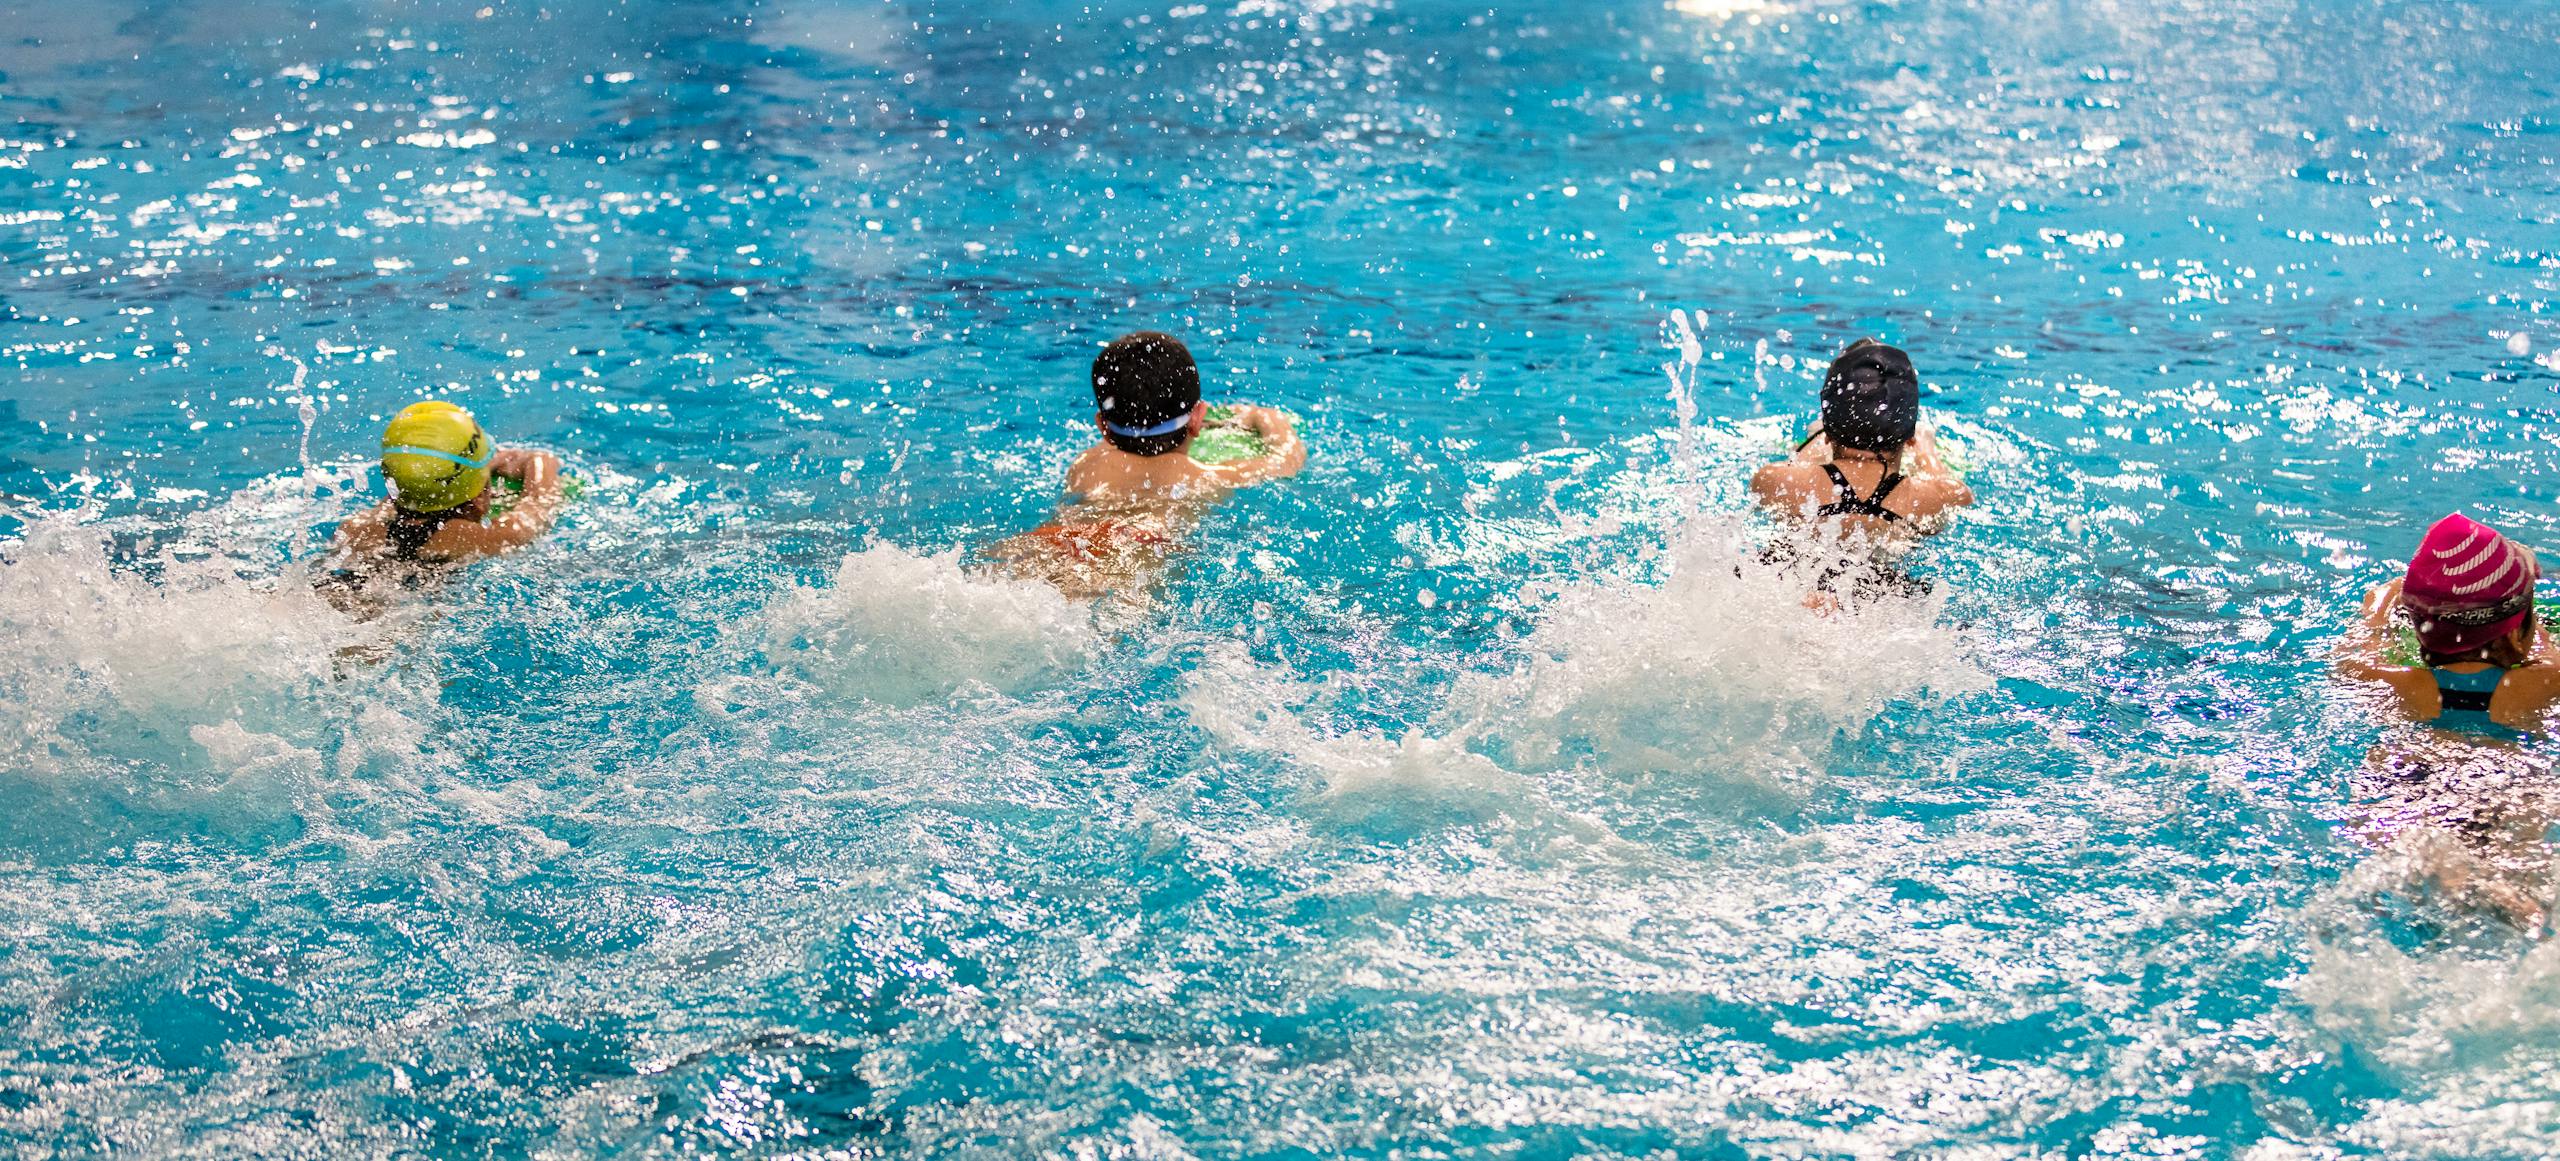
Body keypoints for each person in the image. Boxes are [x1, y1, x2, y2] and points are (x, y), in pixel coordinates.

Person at [2336, 512, 2560, 930]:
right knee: (2518, 846)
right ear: (2514, 632)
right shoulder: (2543, 683)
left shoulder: (2392, 683)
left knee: (2399, 839)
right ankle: (2501, 888)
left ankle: (2452, 874)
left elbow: (2355, 651)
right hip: (2504, 776)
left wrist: (2382, 604)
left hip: (2411, 769)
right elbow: (2540, 646)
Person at [988, 331, 1305, 599]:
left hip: (1059, 540)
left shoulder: (1085, 465)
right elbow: (1286, 460)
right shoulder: (1206, 478)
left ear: (1102, 426)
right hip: (1136, 552)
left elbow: (1129, 431)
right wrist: (1268, 418)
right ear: (1197, 419)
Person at [1749, 339, 1972, 607]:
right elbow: (1957, 490)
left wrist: (1818, 437)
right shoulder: (1929, 498)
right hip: (1876, 598)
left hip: (1791, 580)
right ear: (1908, 435)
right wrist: (1926, 451)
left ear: (1830, 431)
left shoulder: (1779, 481)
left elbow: (1795, 466)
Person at [322, 401, 565, 603]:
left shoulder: (354, 529)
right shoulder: (476, 538)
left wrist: (477, 469)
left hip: (327, 596)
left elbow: (403, 493)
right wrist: (539, 461)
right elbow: (539, 504)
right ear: (480, 496)